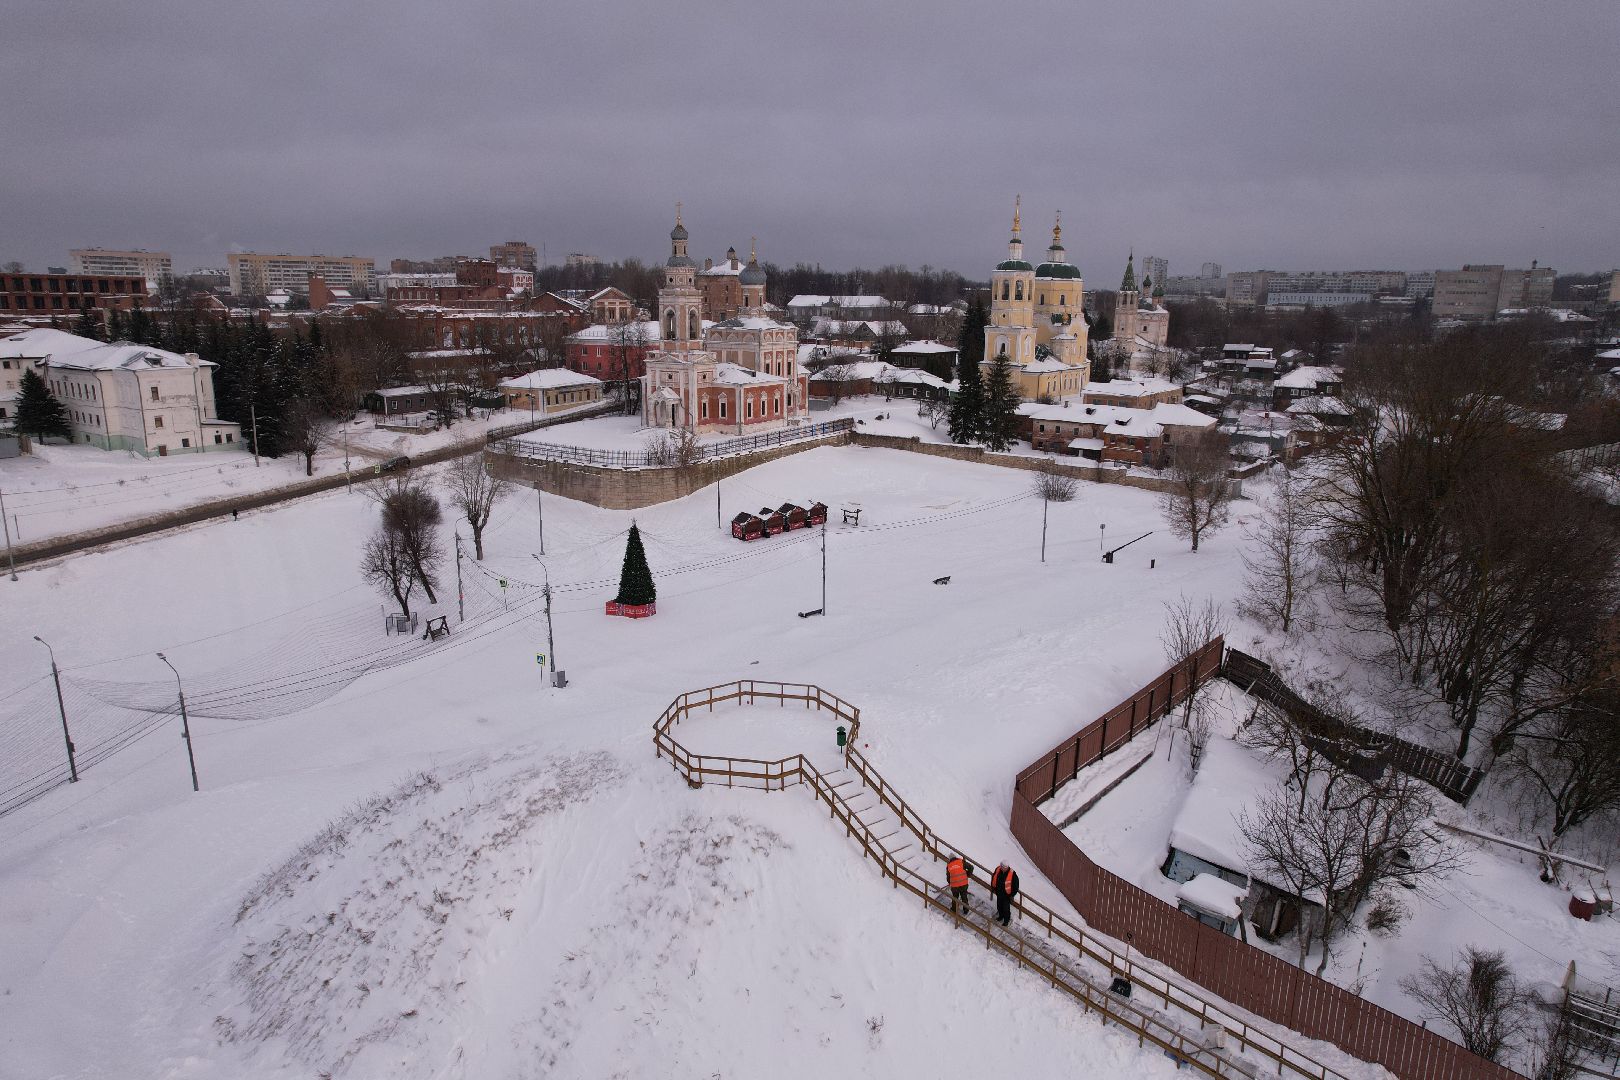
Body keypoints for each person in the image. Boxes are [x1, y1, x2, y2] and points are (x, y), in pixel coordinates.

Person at [991, 862, 1020, 927]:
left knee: (1006, 908)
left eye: (1004, 867)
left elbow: (1016, 886)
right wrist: (993, 887)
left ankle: (1006, 920)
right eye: (1002, 867)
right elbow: (994, 877)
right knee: (999, 906)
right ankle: (1001, 916)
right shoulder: (998, 869)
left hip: (1007, 895)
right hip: (999, 892)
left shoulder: (1012, 874)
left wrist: (1012, 894)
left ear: (1007, 867)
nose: (1002, 868)